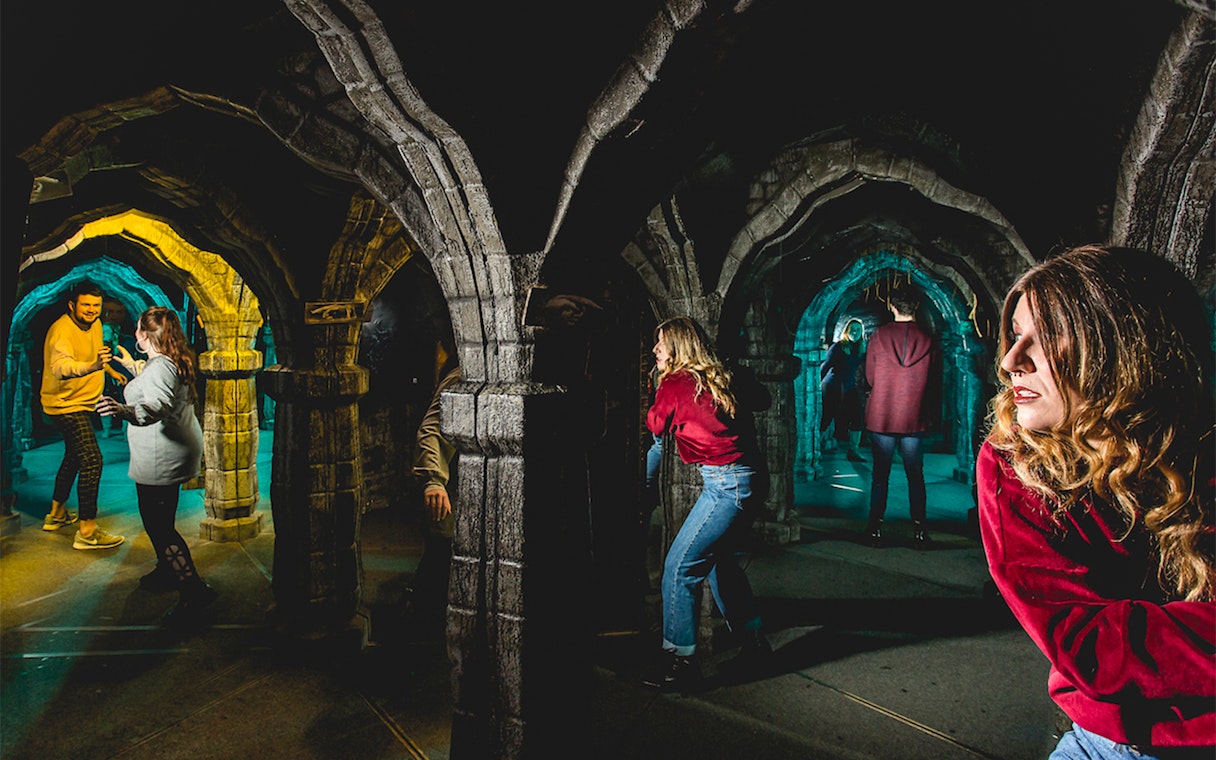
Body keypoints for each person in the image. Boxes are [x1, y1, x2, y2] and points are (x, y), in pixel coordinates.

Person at [978, 245, 1214, 759]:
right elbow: (1091, 644)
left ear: (1121, 348)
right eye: (1015, 334)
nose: (1011, 361)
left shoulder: (1201, 445)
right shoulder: (1016, 464)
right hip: (1120, 743)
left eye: (1048, 335)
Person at [642, 316, 768, 691]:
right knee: (720, 563)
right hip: (744, 477)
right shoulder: (716, 376)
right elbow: (762, 399)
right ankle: (754, 645)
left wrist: (659, 382)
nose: (655, 349)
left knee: (679, 568)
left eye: (661, 343)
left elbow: (655, 425)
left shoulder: (675, 382)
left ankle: (679, 662)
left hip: (726, 486)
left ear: (678, 347)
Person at [97, 306, 214, 624]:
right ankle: (167, 571)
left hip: (163, 455)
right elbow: (154, 377)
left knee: (159, 527)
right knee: (162, 518)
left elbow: (157, 404)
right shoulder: (167, 360)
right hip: (171, 451)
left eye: (138, 327)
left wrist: (122, 409)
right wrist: (130, 364)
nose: (134, 331)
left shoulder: (161, 366)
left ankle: (193, 590)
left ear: (144, 335)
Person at [39, 280, 124, 549]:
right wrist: (92, 367)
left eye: (95, 305)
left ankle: (56, 514)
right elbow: (60, 367)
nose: (91, 310)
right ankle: (87, 531)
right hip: (65, 405)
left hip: (82, 403)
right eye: (85, 305)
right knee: (92, 459)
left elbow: (96, 356)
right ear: (71, 305)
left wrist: (109, 370)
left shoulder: (95, 324)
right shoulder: (61, 331)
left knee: (74, 456)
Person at [864, 286, 937, 549]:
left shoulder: (879, 336)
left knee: (880, 475)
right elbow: (934, 382)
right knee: (915, 476)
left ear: (891, 306)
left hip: (883, 414)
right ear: (915, 307)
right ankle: (919, 531)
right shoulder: (928, 340)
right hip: (913, 415)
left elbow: (870, 377)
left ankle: (874, 529)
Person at [405, 343, 461, 635]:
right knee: (441, 556)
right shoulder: (463, 376)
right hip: (455, 493)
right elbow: (432, 429)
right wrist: (434, 481)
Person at [820, 317, 866, 462]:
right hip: (832, 385)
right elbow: (825, 366)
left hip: (849, 386)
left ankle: (854, 450)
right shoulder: (838, 347)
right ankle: (815, 448)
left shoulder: (860, 348)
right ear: (846, 331)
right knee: (827, 417)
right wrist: (817, 384)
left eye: (858, 330)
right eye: (852, 329)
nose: (855, 332)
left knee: (857, 416)